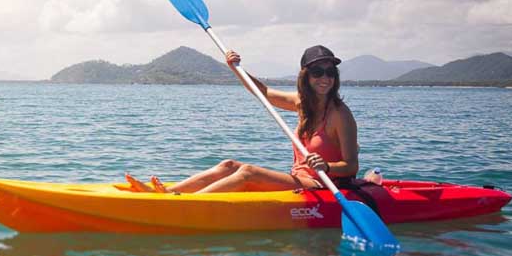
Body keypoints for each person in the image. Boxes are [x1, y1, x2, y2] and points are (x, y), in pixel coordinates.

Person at [125, 45, 359, 193]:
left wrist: (327, 165)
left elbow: (351, 166)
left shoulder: (340, 114)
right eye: (318, 72)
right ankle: (167, 192)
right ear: (306, 77)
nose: (325, 78)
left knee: (248, 172)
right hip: (298, 178)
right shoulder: (301, 103)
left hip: (323, 184)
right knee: (229, 165)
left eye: (330, 72)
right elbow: (263, 93)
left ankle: (183, 203)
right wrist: (236, 68)